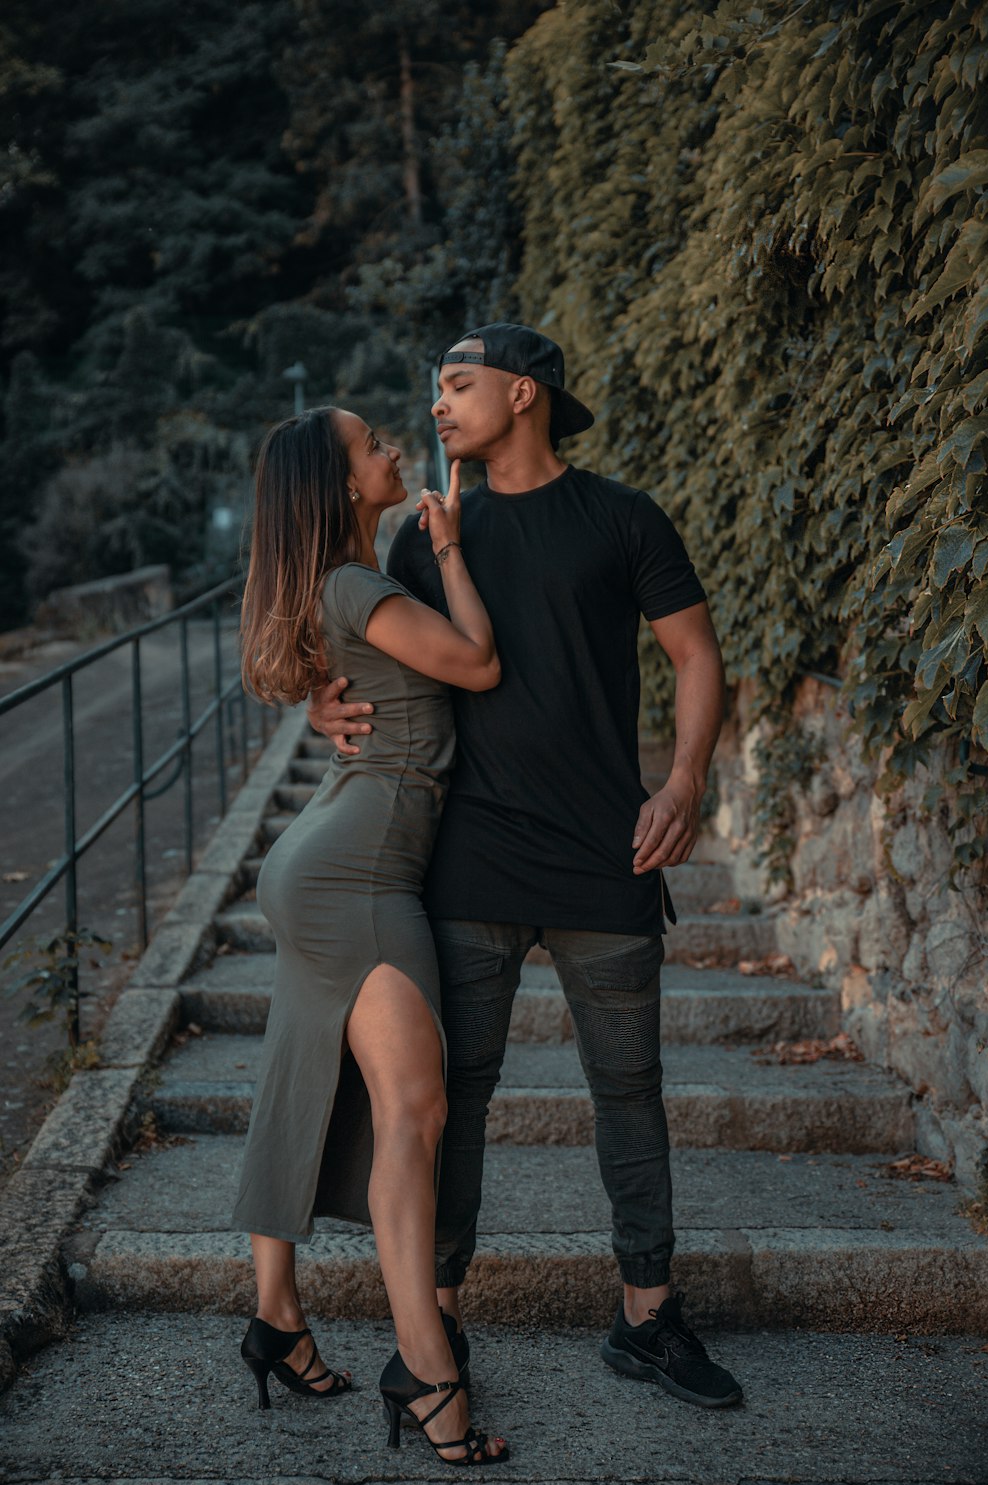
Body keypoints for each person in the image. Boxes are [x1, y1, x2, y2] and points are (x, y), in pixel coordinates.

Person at [308, 322, 743, 1410]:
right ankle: (439, 1322)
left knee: (629, 1093)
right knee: (457, 1096)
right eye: (437, 389)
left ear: (524, 392)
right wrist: (322, 702)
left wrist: (683, 782)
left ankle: (647, 1318)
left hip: (610, 852)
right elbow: (378, 654)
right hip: (474, 856)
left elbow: (697, 653)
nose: (440, 407)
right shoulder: (427, 534)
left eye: (458, 386)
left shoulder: (621, 517)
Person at [232, 404, 509, 1467]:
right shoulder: (356, 585)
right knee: (415, 1106)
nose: (394, 449)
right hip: (362, 869)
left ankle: (277, 1318)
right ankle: (428, 1367)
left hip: (329, 855)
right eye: (373, 445)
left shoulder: (323, 588)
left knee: (303, 1077)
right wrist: (446, 545)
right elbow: (477, 664)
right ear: (345, 485)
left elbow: (348, 686)